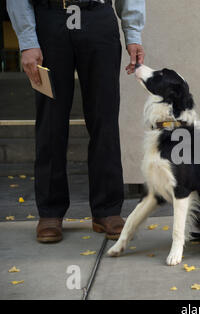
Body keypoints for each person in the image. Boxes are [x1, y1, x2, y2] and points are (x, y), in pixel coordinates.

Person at [7, 0, 146, 243]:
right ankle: (50, 211)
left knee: (105, 118)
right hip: (50, 19)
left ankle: (108, 210)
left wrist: (133, 33)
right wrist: (28, 41)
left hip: (98, 18)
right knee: (51, 120)